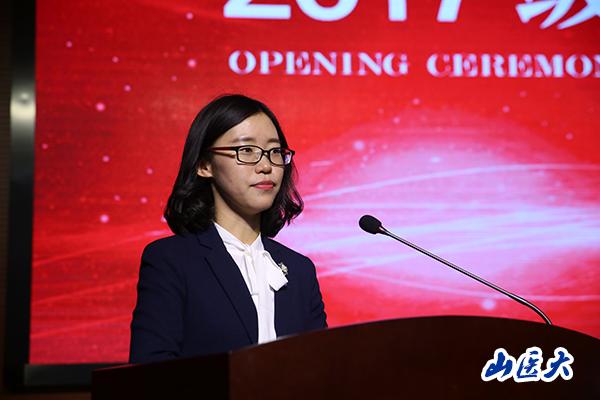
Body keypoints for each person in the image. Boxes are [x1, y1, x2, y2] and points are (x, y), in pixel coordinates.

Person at [129, 94, 327, 364]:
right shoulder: (172, 260)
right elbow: (150, 373)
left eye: (274, 151)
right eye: (246, 150)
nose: (266, 166)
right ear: (204, 165)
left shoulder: (300, 271)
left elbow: (321, 370)